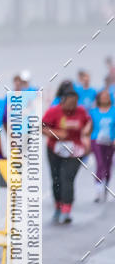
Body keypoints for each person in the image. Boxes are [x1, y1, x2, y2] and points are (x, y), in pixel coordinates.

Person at [42, 88, 92, 224]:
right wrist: (56, 133)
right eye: (69, 103)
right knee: (56, 178)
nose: (72, 106)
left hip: (75, 151)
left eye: (75, 103)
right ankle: (58, 206)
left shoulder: (81, 111)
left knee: (67, 178)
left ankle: (66, 210)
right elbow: (40, 127)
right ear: (62, 102)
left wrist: (86, 134)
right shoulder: (54, 111)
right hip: (55, 150)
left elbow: (88, 123)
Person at [90, 89, 115, 201]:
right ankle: (98, 190)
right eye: (103, 96)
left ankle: (106, 185)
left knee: (108, 166)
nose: (105, 98)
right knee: (100, 163)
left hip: (110, 141)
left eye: (107, 96)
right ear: (99, 98)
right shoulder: (93, 112)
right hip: (97, 141)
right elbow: (89, 126)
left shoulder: (113, 111)